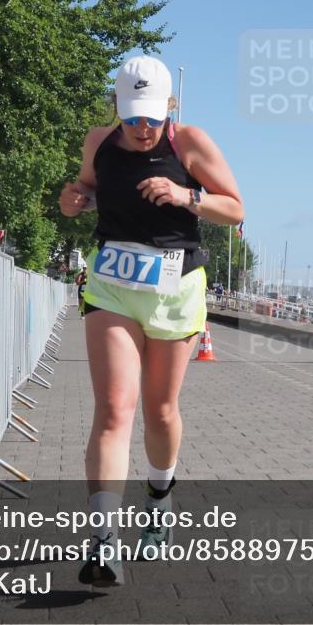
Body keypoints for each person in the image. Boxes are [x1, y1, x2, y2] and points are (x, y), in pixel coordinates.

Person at [59, 55, 243, 585]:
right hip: (113, 285)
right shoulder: (98, 141)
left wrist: (188, 195)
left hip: (175, 288)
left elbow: (235, 208)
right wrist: (74, 201)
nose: (142, 129)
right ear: (117, 106)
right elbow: (84, 189)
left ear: (170, 107)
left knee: (160, 412)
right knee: (115, 409)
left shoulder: (189, 143)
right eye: (132, 116)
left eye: (151, 117)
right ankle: (102, 542)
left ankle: (159, 501)